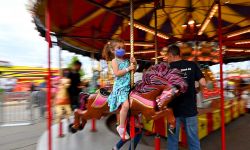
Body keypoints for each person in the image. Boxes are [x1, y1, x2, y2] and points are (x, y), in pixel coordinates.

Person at [160, 45, 206, 150]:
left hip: (172, 111)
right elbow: (203, 83)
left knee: (172, 140)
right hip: (190, 109)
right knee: (193, 140)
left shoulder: (166, 69)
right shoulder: (192, 65)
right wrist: (197, 90)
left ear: (171, 55)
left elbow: (161, 89)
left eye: (168, 56)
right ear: (179, 54)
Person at [102, 39, 136, 140]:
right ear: (113, 51)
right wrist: (128, 69)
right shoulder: (114, 61)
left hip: (129, 86)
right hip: (120, 87)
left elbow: (134, 70)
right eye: (119, 48)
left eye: (123, 48)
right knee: (125, 105)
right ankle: (121, 126)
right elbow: (117, 73)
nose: (122, 50)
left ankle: (134, 122)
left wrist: (134, 63)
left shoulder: (126, 61)